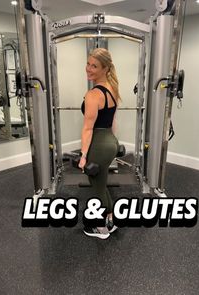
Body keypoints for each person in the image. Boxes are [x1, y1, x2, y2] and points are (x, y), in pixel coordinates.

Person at [79, 48, 120, 239]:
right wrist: (113, 143)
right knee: (102, 184)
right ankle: (110, 221)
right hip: (110, 142)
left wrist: (84, 156)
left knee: (97, 187)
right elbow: (112, 122)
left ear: (105, 68)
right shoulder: (112, 88)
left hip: (98, 144)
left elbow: (88, 128)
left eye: (94, 66)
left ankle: (101, 229)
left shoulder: (93, 94)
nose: (88, 68)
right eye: (88, 63)